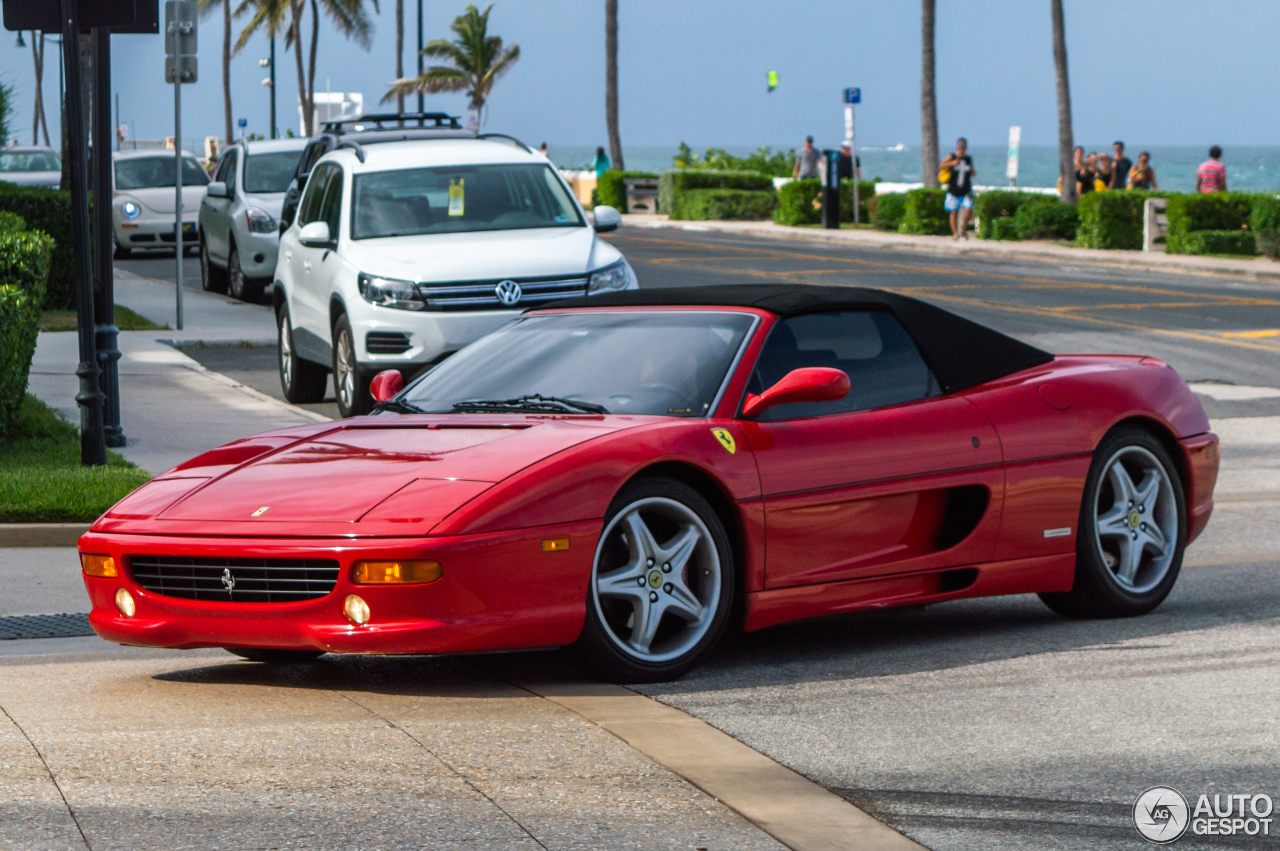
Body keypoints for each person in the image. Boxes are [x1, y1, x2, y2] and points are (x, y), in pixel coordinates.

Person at [939, 137, 975, 240]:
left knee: (969, 209)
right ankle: (955, 234)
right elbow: (941, 165)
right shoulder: (952, 156)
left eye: (963, 146)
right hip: (953, 190)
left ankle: (963, 229)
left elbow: (971, 170)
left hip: (966, 190)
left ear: (966, 147)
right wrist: (952, 163)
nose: (961, 148)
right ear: (957, 146)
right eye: (960, 145)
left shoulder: (968, 159)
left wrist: (972, 173)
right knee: (953, 212)